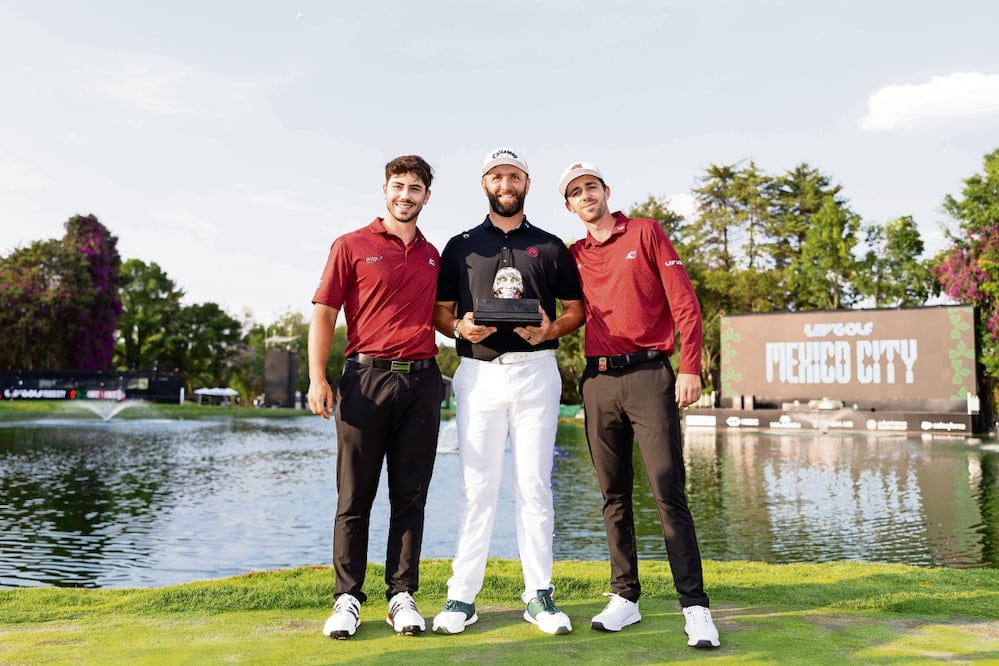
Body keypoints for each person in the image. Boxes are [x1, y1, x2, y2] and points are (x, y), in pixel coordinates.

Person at [558, 161, 721, 649]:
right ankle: (625, 597)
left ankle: (694, 607)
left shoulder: (647, 233)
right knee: (613, 495)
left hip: (651, 375)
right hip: (598, 381)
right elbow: (558, 311)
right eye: (575, 192)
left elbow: (685, 303)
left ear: (606, 191)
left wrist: (690, 366)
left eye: (591, 187)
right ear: (569, 206)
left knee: (668, 490)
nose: (586, 195)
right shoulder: (572, 255)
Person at [431, 147, 585, 636]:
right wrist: (459, 327)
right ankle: (462, 596)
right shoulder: (460, 245)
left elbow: (576, 310)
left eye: (513, 176)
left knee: (535, 487)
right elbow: (440, 311)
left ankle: (538, 594)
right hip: (478, 373)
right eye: (497, 176)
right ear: (484, 184)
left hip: (537, 372)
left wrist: (550, 331)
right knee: (477, 491)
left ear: (526, 184)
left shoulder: (551, 244)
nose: (505, 183)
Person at [308, 154, 444, 640]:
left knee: (411, 495)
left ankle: (401, 596)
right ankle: (347, 597)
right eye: (398, 186)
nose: (405, 195)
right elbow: (324, 313)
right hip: (363, 380)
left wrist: (470, 326)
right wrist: (317, 379)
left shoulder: (434, 255)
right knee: (355, 495)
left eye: (415, 188)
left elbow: (444, 317)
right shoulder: (351, 245)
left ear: (428, 196)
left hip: (423, 383)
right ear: (384, 190)